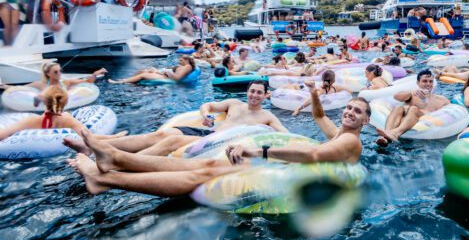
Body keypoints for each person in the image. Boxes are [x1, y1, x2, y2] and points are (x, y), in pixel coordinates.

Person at [67, 84, 370, 197]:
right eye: (349, 107)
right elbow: (319, 119)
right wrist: (315, 95)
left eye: (357, 111)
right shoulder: (340, 134)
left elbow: (316, 157)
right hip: (289, 166)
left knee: (205, 173)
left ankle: (111, 176)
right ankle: (116, 160)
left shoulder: (350, 143)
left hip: (292, 174)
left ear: (366, 121)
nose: (350, 112)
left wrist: (256, 151)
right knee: (207, 163)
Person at [65, 81, 286, 159]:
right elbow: (207, 105)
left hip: (219, 145)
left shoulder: (267, 116)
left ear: (266, 95)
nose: (255, 95)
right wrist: (204, 116)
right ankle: (90, 147)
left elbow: (285, 135)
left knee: (169, 144)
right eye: (252, 91)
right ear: (247, 92)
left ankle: (114, 160)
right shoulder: (234, 104)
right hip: (208, 134)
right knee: (160, 134)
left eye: (259, 93)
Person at [0, 86, 124, 142]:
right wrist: (115, 137)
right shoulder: (67, 119)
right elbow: (89, 137)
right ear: (65, 102)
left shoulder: (32, 120)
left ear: (44, 101)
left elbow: (4, 134)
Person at [376, 69, 450, 145]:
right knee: (399, 107)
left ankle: (395, 133)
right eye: (425, 81)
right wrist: (411, 93)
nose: (428, 84)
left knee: (413, 108)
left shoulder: (441, 99)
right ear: (418, 83)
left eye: (430, 81)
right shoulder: (412, 94)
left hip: (425, 122)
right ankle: (387, 134)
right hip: (407, 120)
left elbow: (451, 111)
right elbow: (396, 97)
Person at [28, 61, 107, 102]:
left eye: (60, 71)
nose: (59, 74)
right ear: (48, 74)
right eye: (55, 72)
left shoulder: (66, 82)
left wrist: (95, 74)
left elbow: (88, 81)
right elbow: (20, 88)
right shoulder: (40, 84)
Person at [108, 55, 197, 85]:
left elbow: (177, 78)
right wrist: (159, 70)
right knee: (143, 71)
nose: (179, 61)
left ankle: (121, 82)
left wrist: (167, 71)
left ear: (187, 60)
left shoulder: (187, 67)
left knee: (144, 75)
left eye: (181, 60)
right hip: (165, 74)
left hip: (167, 78)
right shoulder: (183, 66)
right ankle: (129, 81)